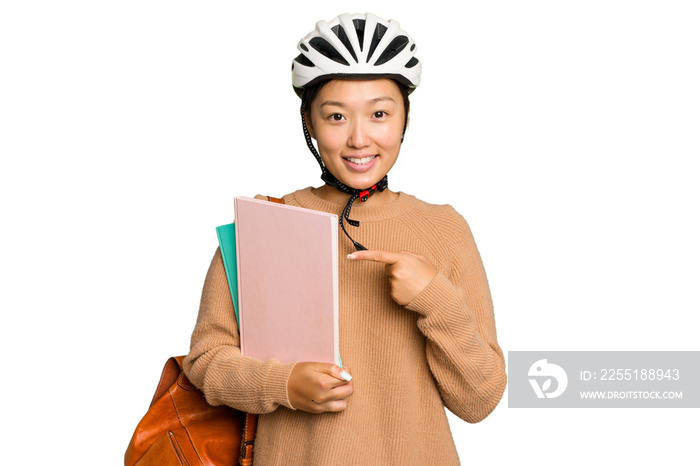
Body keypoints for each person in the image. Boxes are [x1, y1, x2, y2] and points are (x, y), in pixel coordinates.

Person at [184, 12, 506, 465]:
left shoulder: (444, 229)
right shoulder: (265, 223)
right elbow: (205, 363)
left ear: (404, 119)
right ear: (309, 122)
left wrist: (437, 299)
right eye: (336, 116)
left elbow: (480, 399)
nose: (359, 139)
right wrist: (284, 384)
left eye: (379, 114)